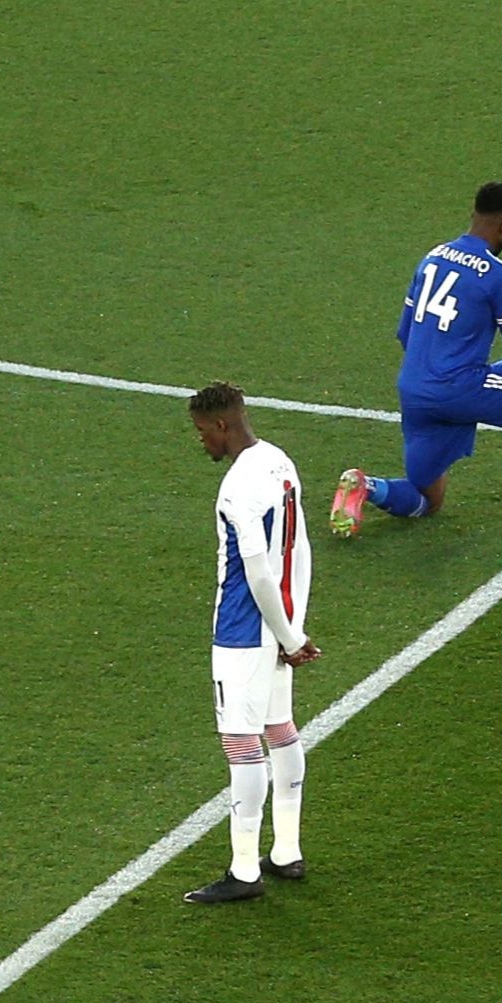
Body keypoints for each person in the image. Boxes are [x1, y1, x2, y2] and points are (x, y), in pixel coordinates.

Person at [333, 183, 502, 533]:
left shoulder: (432, 257)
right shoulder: (500, 275)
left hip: (415, 390)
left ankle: (367, 486)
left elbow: (405, 333)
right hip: (460, 388)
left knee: (429, 501)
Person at [184, 385, 319, 904]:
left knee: (242, 747)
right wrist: (294, 630)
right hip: (280, 622)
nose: (202, 444)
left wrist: (285, 634)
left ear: (221, 426)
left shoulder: (238, 488)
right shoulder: (280, 462)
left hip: (243, 630)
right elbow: (298, 548)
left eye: (202, 433)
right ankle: (287, 850)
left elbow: (259, 571)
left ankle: (244, 871)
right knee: (280, 730)